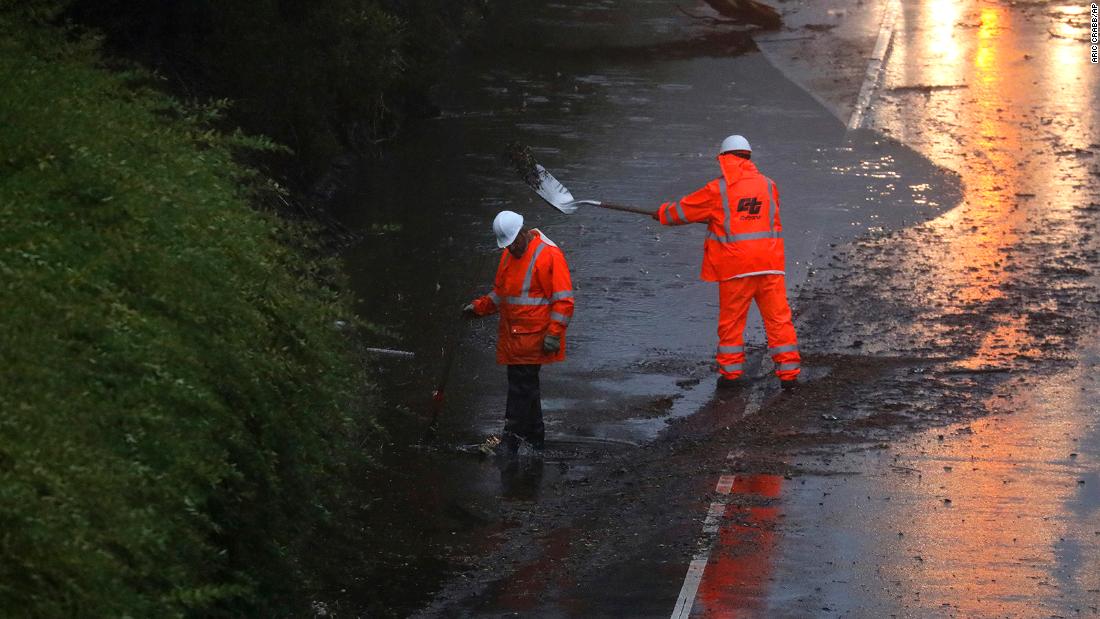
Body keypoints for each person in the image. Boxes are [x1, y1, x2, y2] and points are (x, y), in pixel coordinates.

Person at [652, 134, 800, 390]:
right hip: (770, 265)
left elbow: (682, 211)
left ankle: (731, 375)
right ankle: (789, 374)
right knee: (778, 320)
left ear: (723, 159)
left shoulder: (718, 189)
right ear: (749, 157)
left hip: (736, 268)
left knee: (732, 322)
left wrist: (662, 213)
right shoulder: (768, 185)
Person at [464, 210, 575, 452]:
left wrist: (554, 334)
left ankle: (511, 441)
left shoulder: (549, 255)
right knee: (527, 390)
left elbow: (564, 301)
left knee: (520, 389)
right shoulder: (507, 256)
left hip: (534, 339)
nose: (512, 248)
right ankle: (534, 442)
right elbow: (502, 293)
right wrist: (479, 307)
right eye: (508, 245)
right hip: (514, 337)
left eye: (514, 243)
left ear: (524, 232)